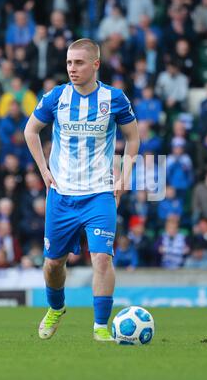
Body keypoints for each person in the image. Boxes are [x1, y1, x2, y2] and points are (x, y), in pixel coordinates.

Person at [24, 38, 139, 342]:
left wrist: (124, 175)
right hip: (61, 195)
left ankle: (100, 327)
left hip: (100, 193)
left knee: (101, 258)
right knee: (52, 265)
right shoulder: (56, 97)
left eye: (78, 63)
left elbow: (133, 137)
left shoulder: (114, 98)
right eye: (68, 63)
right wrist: (43, 170)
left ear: (96, 64)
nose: (72, 69)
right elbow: (30, 130)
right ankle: (56, 308)